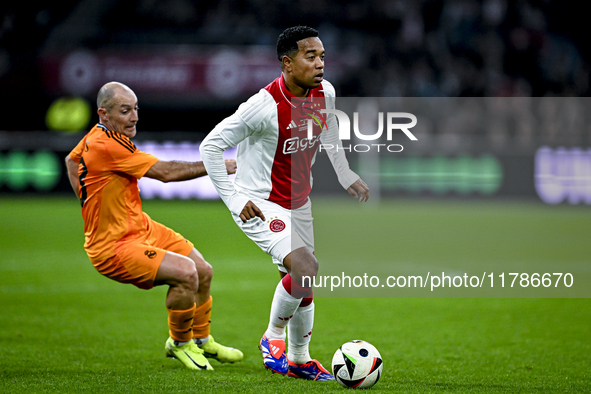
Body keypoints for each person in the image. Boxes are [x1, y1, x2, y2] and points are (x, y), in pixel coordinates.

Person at [200, 26, 369, 381]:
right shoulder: (262, 107)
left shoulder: (325, 93)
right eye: (311, 57)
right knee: (306, 267)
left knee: (301, 284)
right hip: (259, 203)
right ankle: (272, 337)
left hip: (299, 204)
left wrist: (344, 172)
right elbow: (210, 147)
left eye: (322, 56)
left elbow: (329, 132)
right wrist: (234, 198)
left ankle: (299, 360)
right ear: (287, 63)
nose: (320, 64)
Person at [65, 81, 243, 371]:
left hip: (140, 227)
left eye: (135, 108)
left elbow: (72, 162)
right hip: (114, 246)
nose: (134, 116)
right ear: (104, 113)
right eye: (125, 111)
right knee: (186, 274)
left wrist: (88, 202)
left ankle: (201, 340)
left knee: (202, 271)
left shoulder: (99, 135)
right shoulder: (105, 145)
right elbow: (166, 173)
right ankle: (180, 343)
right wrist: (217, 164)